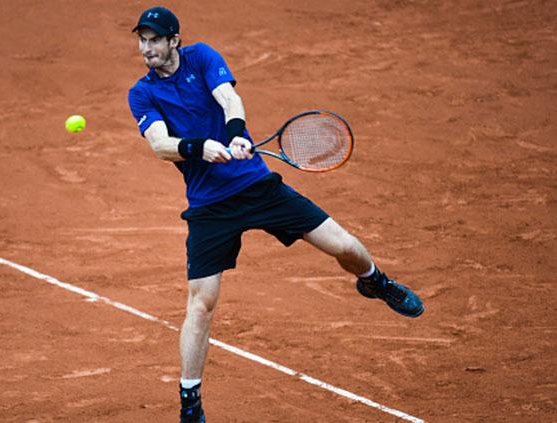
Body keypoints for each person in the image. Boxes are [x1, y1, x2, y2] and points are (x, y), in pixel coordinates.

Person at [127, 6, 424, 422]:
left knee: (346, 247)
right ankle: (190, 402)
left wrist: (232, 134)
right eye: (142, 40)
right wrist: (199, 147)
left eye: (155, 39)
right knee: (202, 303)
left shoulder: (203, 57)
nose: (147, 48)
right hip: (210, 207)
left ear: (174, 40)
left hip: (258, 186)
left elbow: (228, 96)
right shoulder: (142, 93)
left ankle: (375, 282)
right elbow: (160, 144)